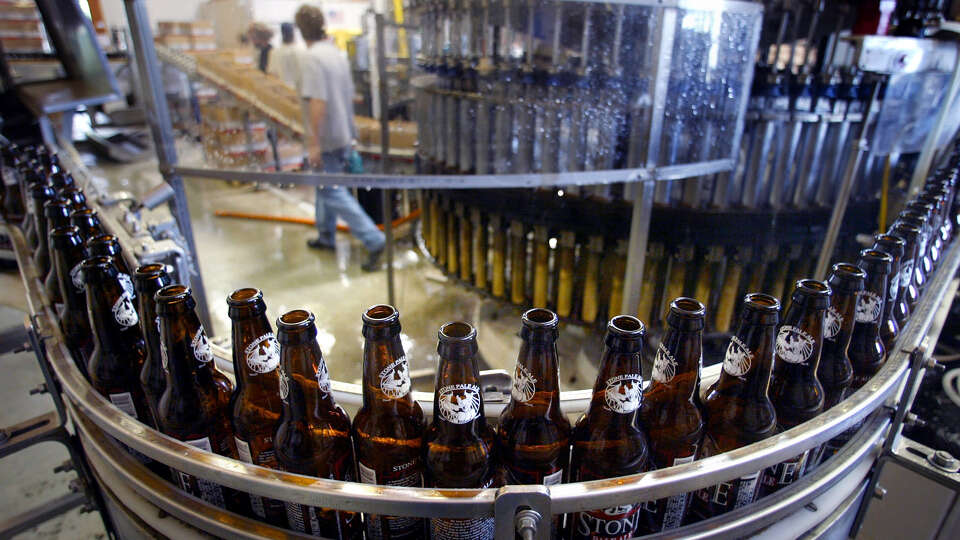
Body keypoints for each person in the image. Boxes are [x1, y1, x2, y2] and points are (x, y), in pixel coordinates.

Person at [295, 5, 385, 272]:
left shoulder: (312, 59)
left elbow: (318, 102)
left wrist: (313, 143)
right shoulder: (336, 54)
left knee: (332, 191)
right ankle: (326, 236)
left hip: (327, 137)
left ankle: (374, 239)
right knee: (325, 187)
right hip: (343, 133)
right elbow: (348, 97)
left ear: (301, 31)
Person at [267, 23, 302, 91]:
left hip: (283, 91)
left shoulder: (275, 52)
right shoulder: (302, 51)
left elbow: (271, 75)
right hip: (298, 91)